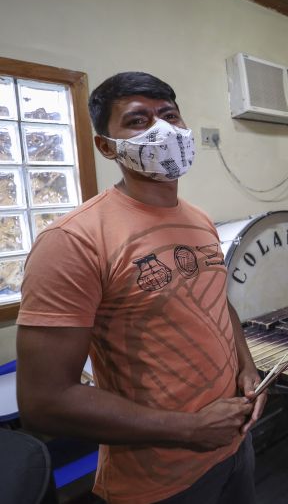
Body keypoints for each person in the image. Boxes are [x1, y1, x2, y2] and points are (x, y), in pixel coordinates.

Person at [15, 72, 266, 503]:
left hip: (234, 448)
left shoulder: (201, 221)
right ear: (106, 146)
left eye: (169, 115)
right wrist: (189, 429)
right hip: (159, 480)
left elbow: (216, 302)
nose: (162, 129)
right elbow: (44, 401)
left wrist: (246, 367)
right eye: (137, 120)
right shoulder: (74, 240)